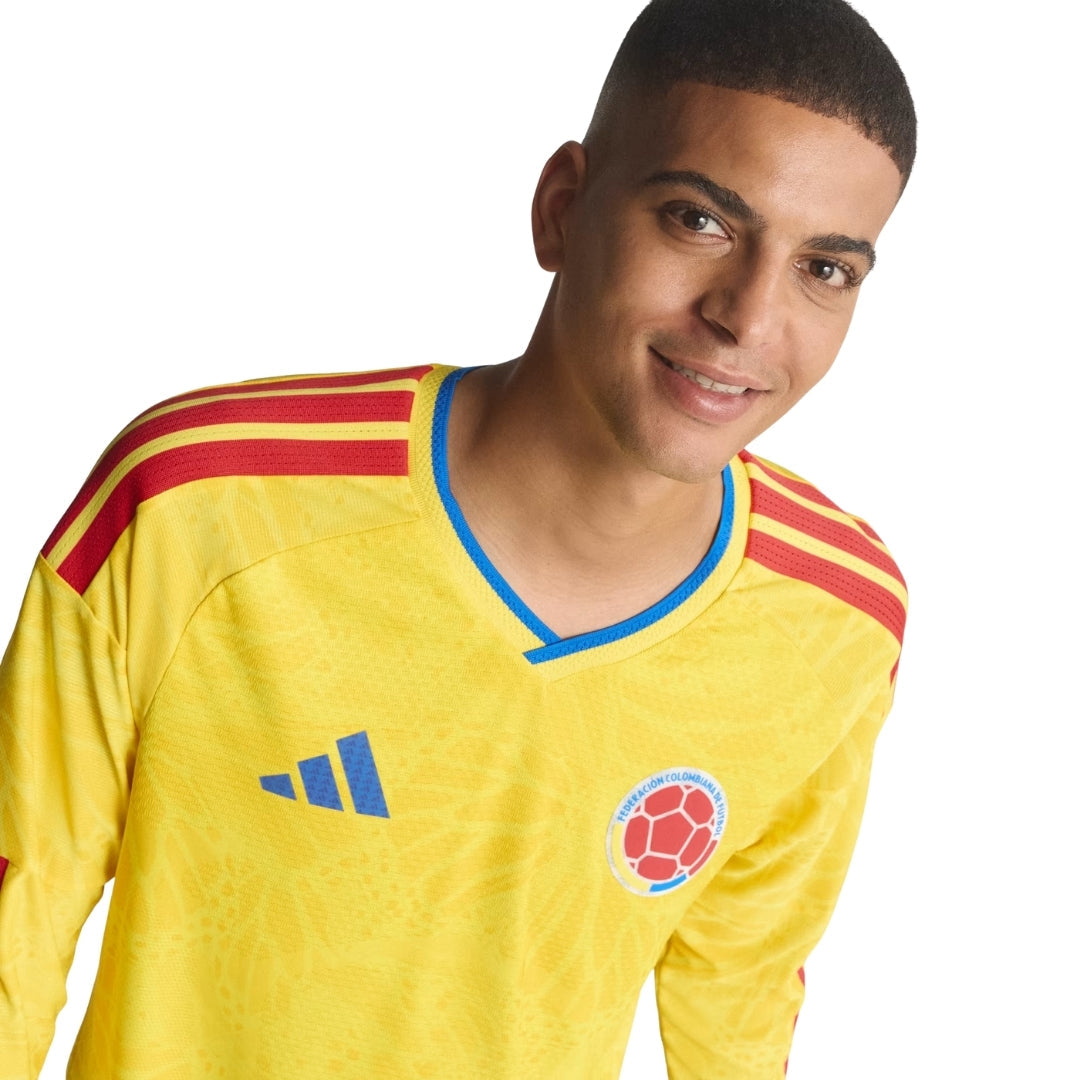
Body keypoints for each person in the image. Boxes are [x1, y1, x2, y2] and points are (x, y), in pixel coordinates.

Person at [0, 0, 914, 1076]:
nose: (748, 318)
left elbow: (742, 1001)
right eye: (697, 220)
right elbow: (21, 910)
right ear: (562, 210)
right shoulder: (200, 504)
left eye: (825, 269)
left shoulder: (837, 619)